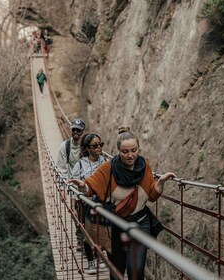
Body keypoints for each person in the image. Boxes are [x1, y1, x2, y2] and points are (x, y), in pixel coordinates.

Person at [69, 127, 176, 280]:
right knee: (117, 272)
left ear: (138, 148)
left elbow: (151, 196)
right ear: (118, 151)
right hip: (115, 225)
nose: (130, 155)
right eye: (125, 152)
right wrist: (83, 186)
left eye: (134, 150)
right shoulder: (109, 168)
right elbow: (91, 186)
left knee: (136, 271)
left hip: (140, 223)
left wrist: (160, 183)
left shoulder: (144, 166)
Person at [71, 132, 107, 274]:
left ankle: (99, 258)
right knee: (87, 233)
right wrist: (73, 206)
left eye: (100, 144)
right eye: (95, 145)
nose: (99, 147)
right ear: (87, 148)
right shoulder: (79, 165)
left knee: (100, 231)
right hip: (84, 204)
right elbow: (74, 188)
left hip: (100, 203)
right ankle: (91, 262)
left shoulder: (105, 162)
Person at [56, 118, 86, 248]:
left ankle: (91, 241)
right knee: (77, 212)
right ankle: (80, 239)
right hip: (74, 184)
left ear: (82, 131)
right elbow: (61, 169)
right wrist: (62, 188)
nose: (76, 132)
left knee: (89, 212)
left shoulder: (87, 145)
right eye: (74, 129)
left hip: (88, 182)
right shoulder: (65, 147)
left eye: (78, 130)